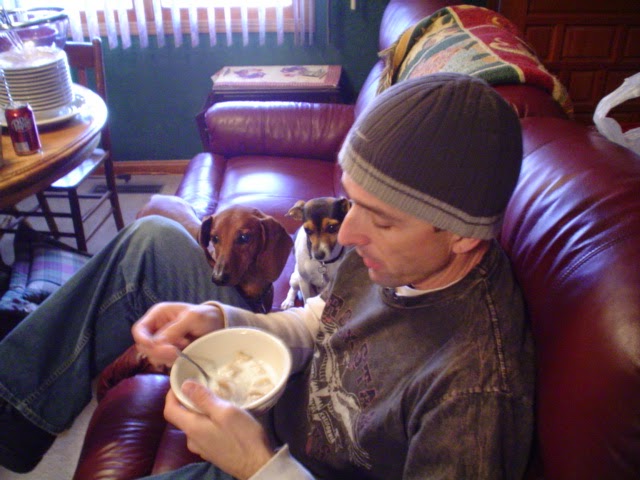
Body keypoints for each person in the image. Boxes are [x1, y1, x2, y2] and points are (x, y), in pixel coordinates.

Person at [0, 73, 534, 479]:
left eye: (382, 220)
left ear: (463, 236)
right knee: (152, 240)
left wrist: (259, 466)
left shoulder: (473, 397)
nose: (347, 234)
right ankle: (10, 415)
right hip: (279, 409)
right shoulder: (398, 253)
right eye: (353, 203)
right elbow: (324, 317)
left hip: (283, 466)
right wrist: (224, 319)